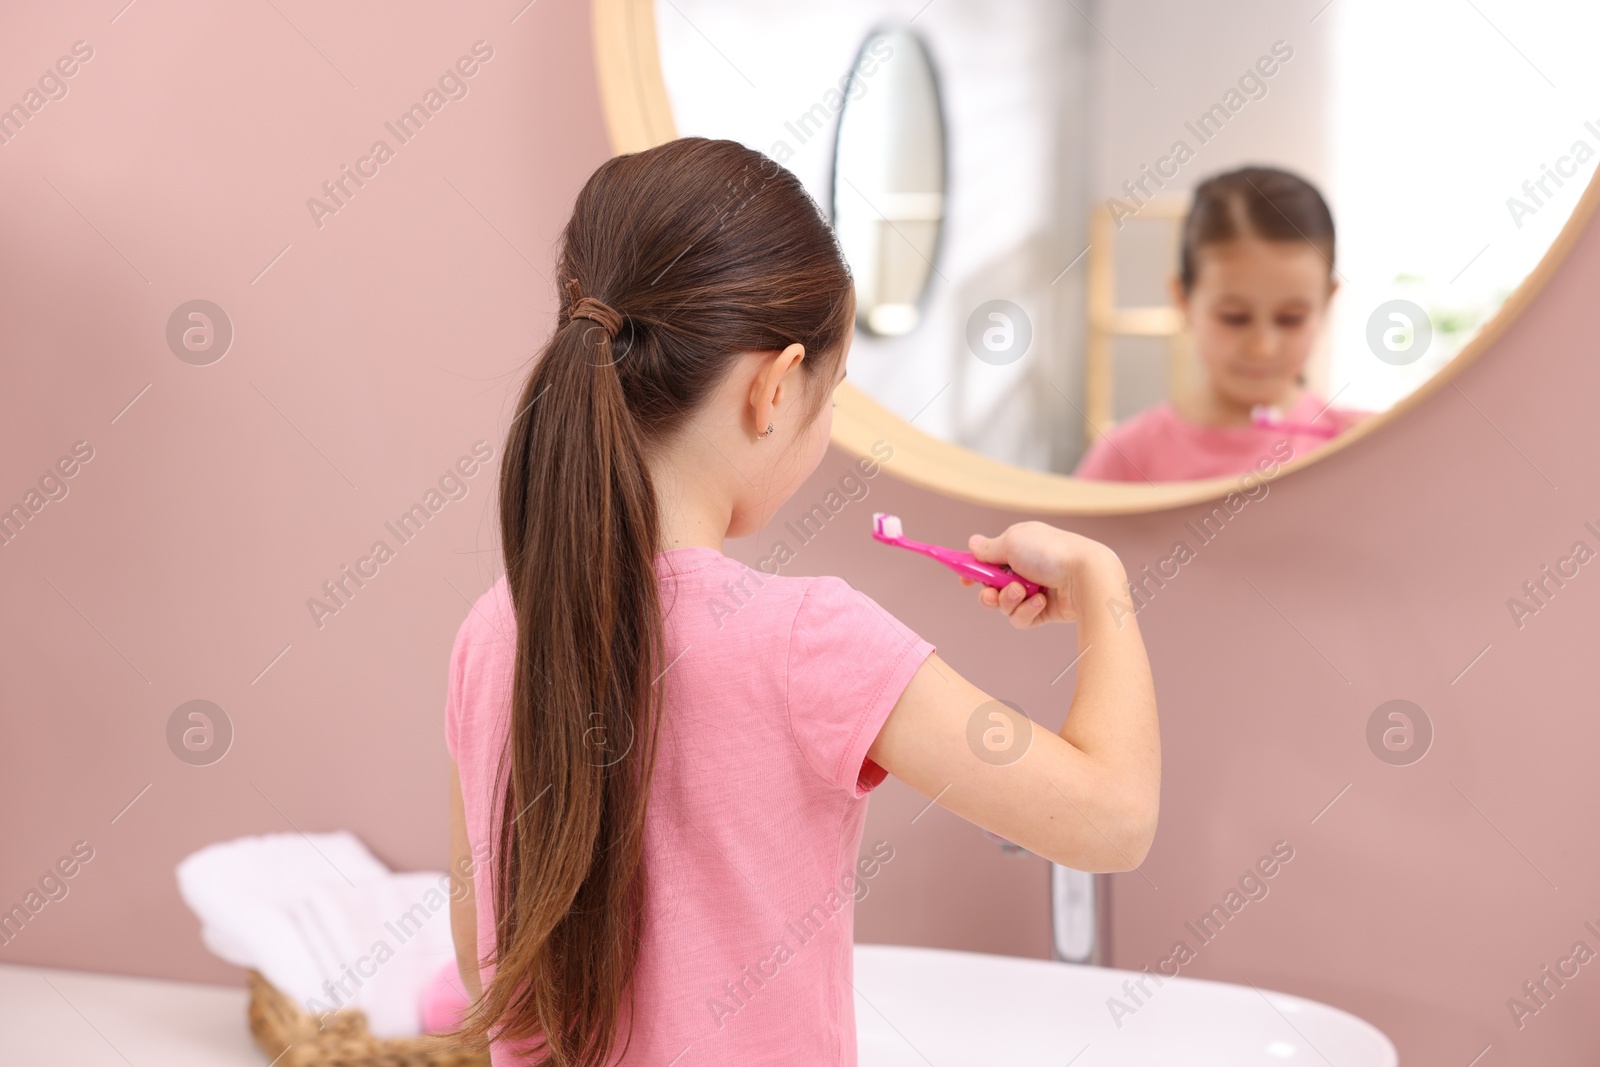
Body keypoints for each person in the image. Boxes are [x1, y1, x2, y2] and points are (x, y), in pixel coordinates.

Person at [444, 137, 1159, 1066]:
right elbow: (1112, 821)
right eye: (832, 397)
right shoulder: (808, 641)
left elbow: (483, 956)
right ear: (775, 389)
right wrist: (1106, 589)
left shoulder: (495, 628)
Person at [1075, 165, 1367, 483]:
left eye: (1291, 319)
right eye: (1234, 317)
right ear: (1183, 299)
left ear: (1327, 302)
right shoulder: (1125, 457)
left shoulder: (1358, 445)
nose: (1262, 348)